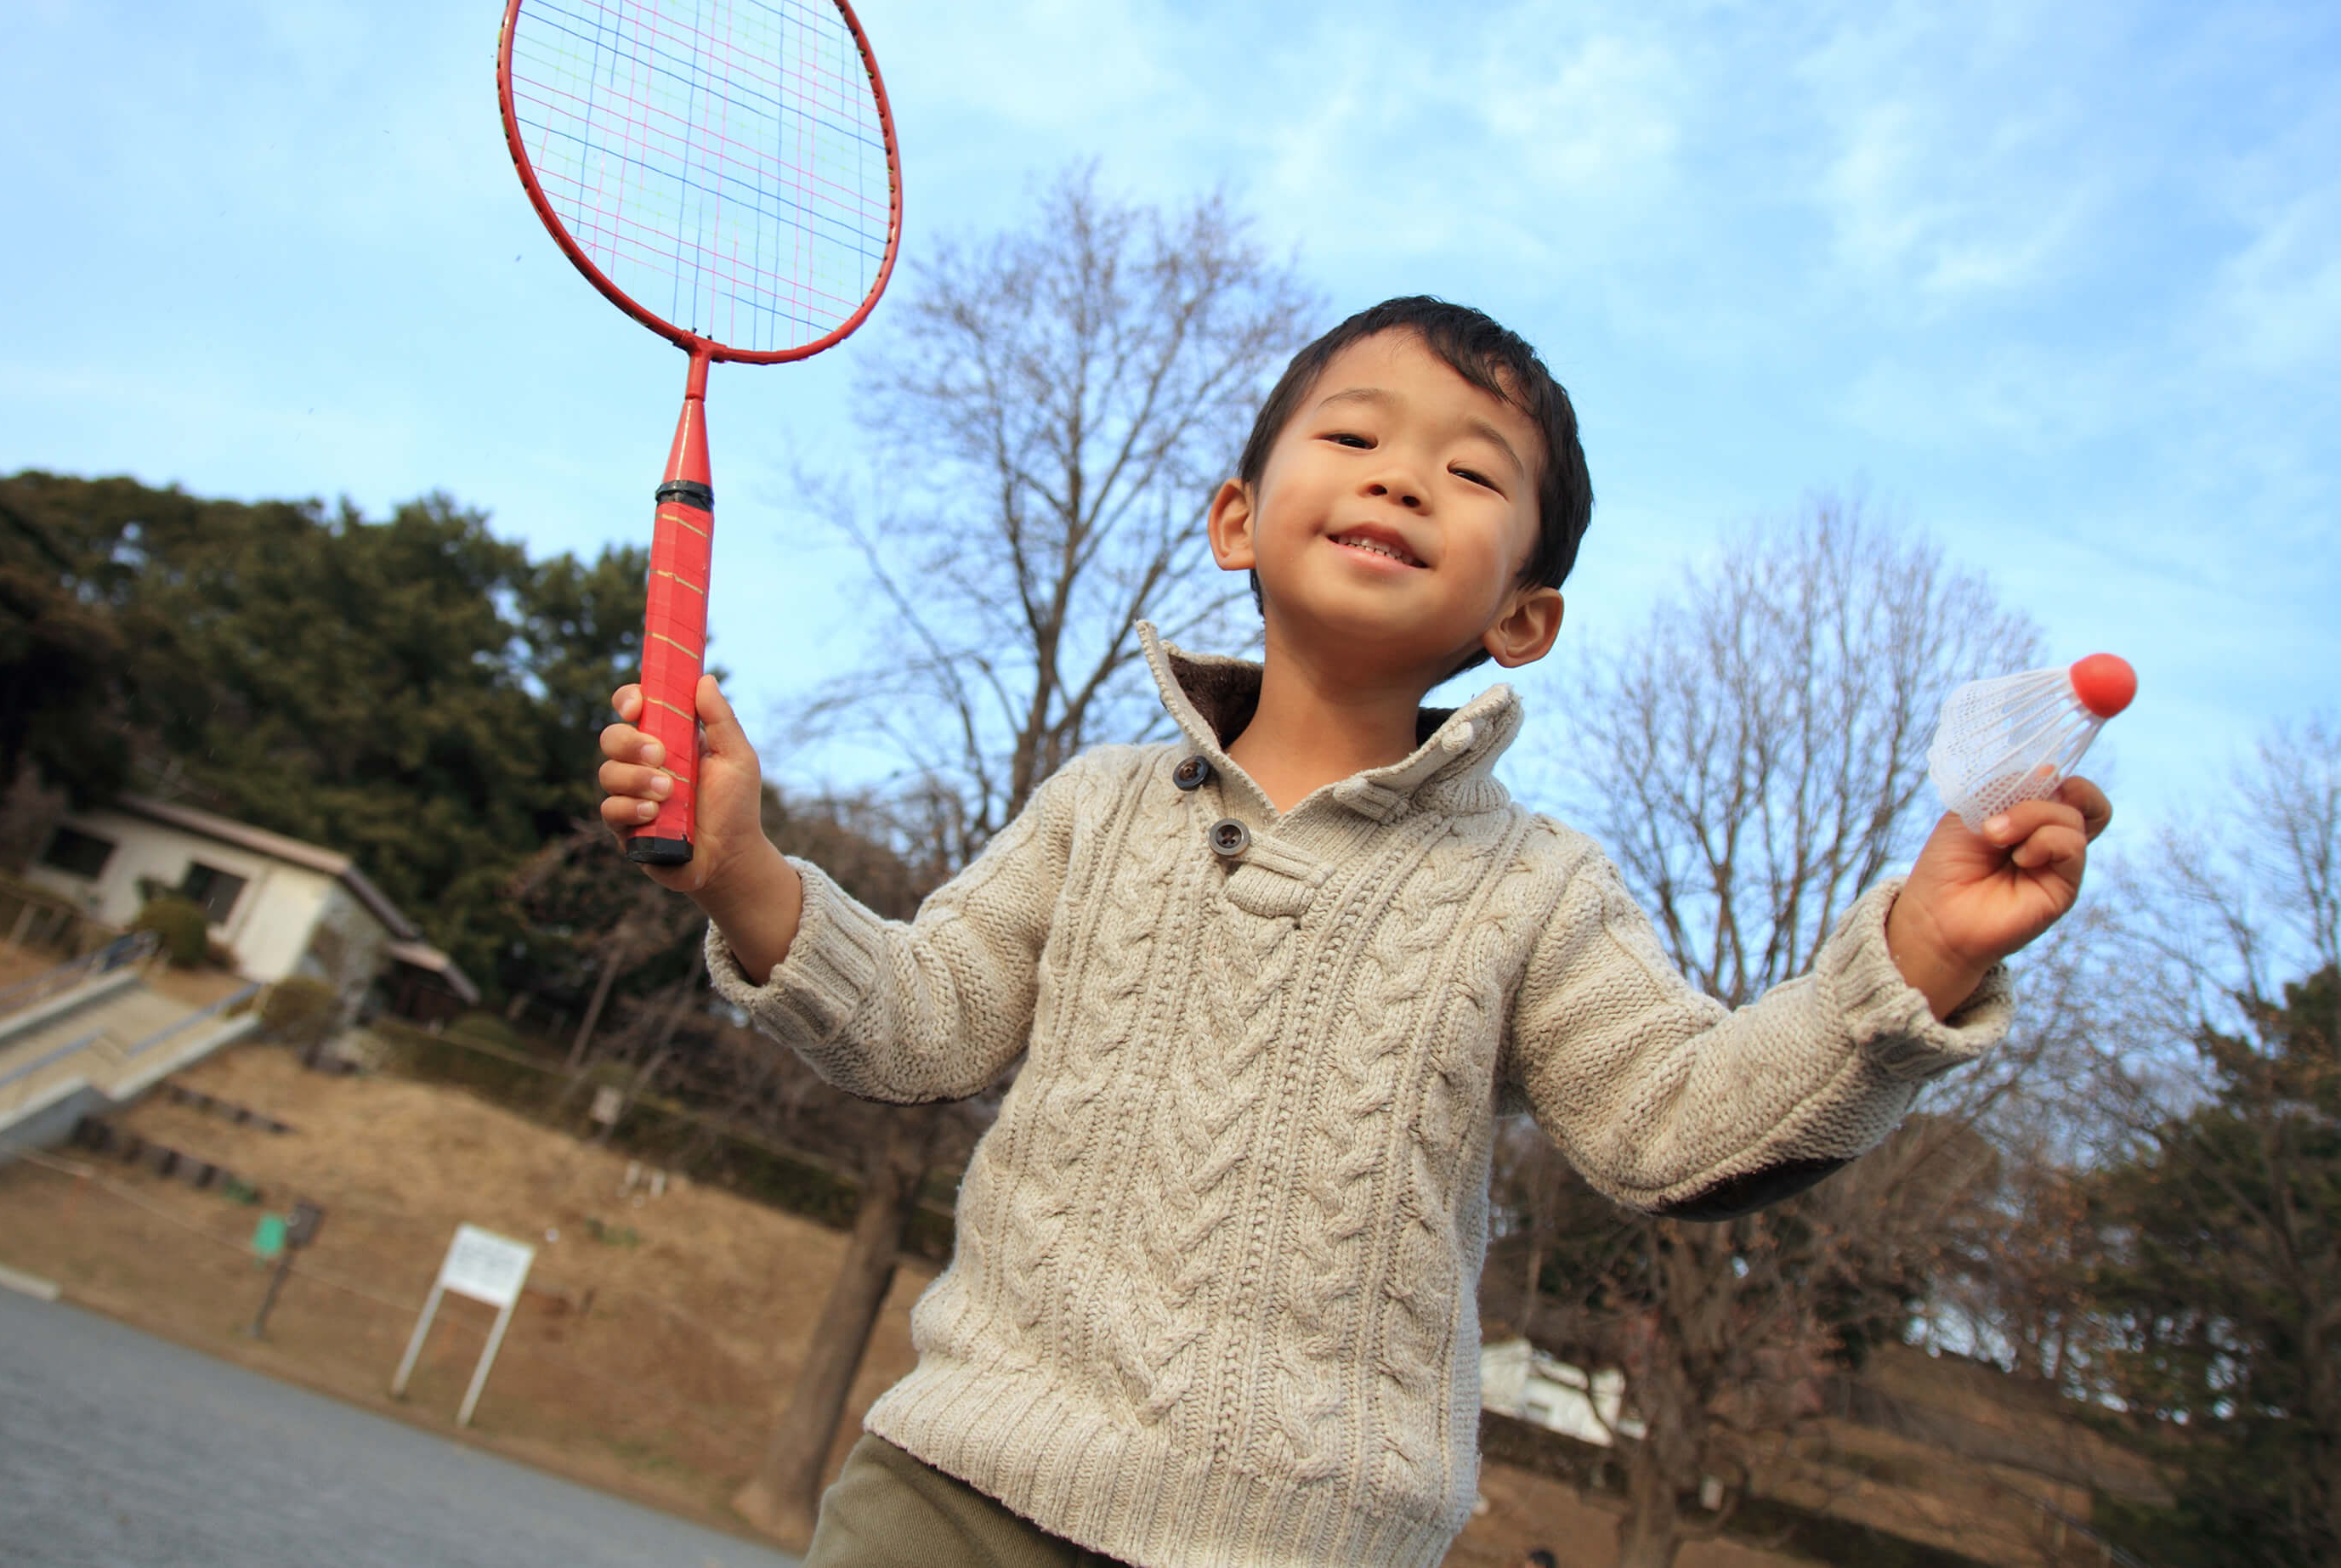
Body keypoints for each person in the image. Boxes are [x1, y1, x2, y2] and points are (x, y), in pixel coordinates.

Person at [595, 297, 2111, 1568]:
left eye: (1466, 471)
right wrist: (743, 869)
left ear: (1524, 614)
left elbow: (1674, 1126)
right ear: (1237, 519)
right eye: (1354, 435)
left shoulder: (1537, 888)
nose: (1397, 480)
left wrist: (1918, 950)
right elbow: (922, 1020)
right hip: (955, 1495)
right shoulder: (1099, 806)